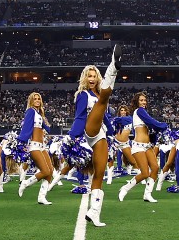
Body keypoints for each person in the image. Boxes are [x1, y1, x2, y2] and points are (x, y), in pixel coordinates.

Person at [67, 45, 123, 227]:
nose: (91, 79)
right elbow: (80, 116)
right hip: (87, 131)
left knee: (99, 173)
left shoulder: (98, 94)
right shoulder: (82, 94)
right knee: (103, 100)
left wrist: (113, 134)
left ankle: (94, 213)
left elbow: (105, 117)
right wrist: (73, 136)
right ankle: (113, 69)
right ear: (85, 78)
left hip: (100, 134)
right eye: (88, 76)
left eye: (94, 76)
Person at [118, 92, 167, 203]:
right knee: (145, 173)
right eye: (141, 100)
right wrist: (163, 126)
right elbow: (153, 122)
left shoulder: (143, 112)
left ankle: (147, 194)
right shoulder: (139, 111)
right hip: (138, 146)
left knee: (155, 168)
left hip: (147, 146)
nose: (144, 102)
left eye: (145, 100)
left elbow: (151, 128)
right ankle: (125, 189)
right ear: (137, 102)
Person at [16, 92, 58, 205]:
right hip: (34, 146)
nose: (37, 100)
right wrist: (21, 142)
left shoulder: (38, 114)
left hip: (42, 147)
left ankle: (41, 197)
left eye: (39, 98)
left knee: (49, 172)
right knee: (44, 171)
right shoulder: (30, 111)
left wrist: (44, 117)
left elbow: (48, 129)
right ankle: (25, 183)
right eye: (35, 99)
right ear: (31, 101)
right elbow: (26, 129)